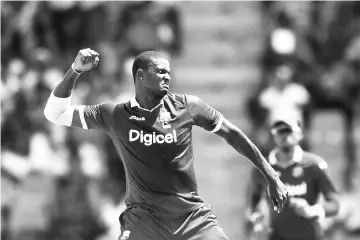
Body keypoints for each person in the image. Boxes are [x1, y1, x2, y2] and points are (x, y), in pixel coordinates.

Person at [44, 48, 289, 240]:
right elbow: (54, 113)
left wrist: (271, 176)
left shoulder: (188, 106)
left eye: (169, 72)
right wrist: (75, 70)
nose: (167, 76)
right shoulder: (115, 115)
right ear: (140, 75)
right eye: (160, 71)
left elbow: (233, 135)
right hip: (144, 219)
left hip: (191, 217)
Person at [245, 114, 339, 240]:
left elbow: (335, 203)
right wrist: (257, 219)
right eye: (280, 131)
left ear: (300, 134)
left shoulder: (314, 164)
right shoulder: (263, 167)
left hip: (311, 236)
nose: (284, 135)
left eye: (288, 130)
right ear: (274, 135)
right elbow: (253, 200)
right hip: (277, 236)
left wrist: (313, 211)